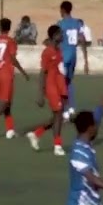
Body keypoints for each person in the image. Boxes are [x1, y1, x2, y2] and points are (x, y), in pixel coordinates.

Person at [26, 25, 68, 156]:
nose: (62, 35)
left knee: (59, 116)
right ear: (54, 36)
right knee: (59, 114)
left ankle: (36, 134)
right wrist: (40, 93)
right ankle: (57, 146)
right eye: (60, 33)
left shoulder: (59, 50)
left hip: (60, 84)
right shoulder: (47, 52)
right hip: (51, 85)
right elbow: (42, 72)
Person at [56, 1, 90, 120]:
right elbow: (82, 39)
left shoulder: (60, 24)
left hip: (64, 57)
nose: (60, 12)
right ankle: (72, 108)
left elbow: (57, 40)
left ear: (63, 10)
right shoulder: (76, 23)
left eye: (60, 10)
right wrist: (86, 60)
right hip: (73, 56)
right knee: (68, 82)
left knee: (60, 83)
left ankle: (65, 110)